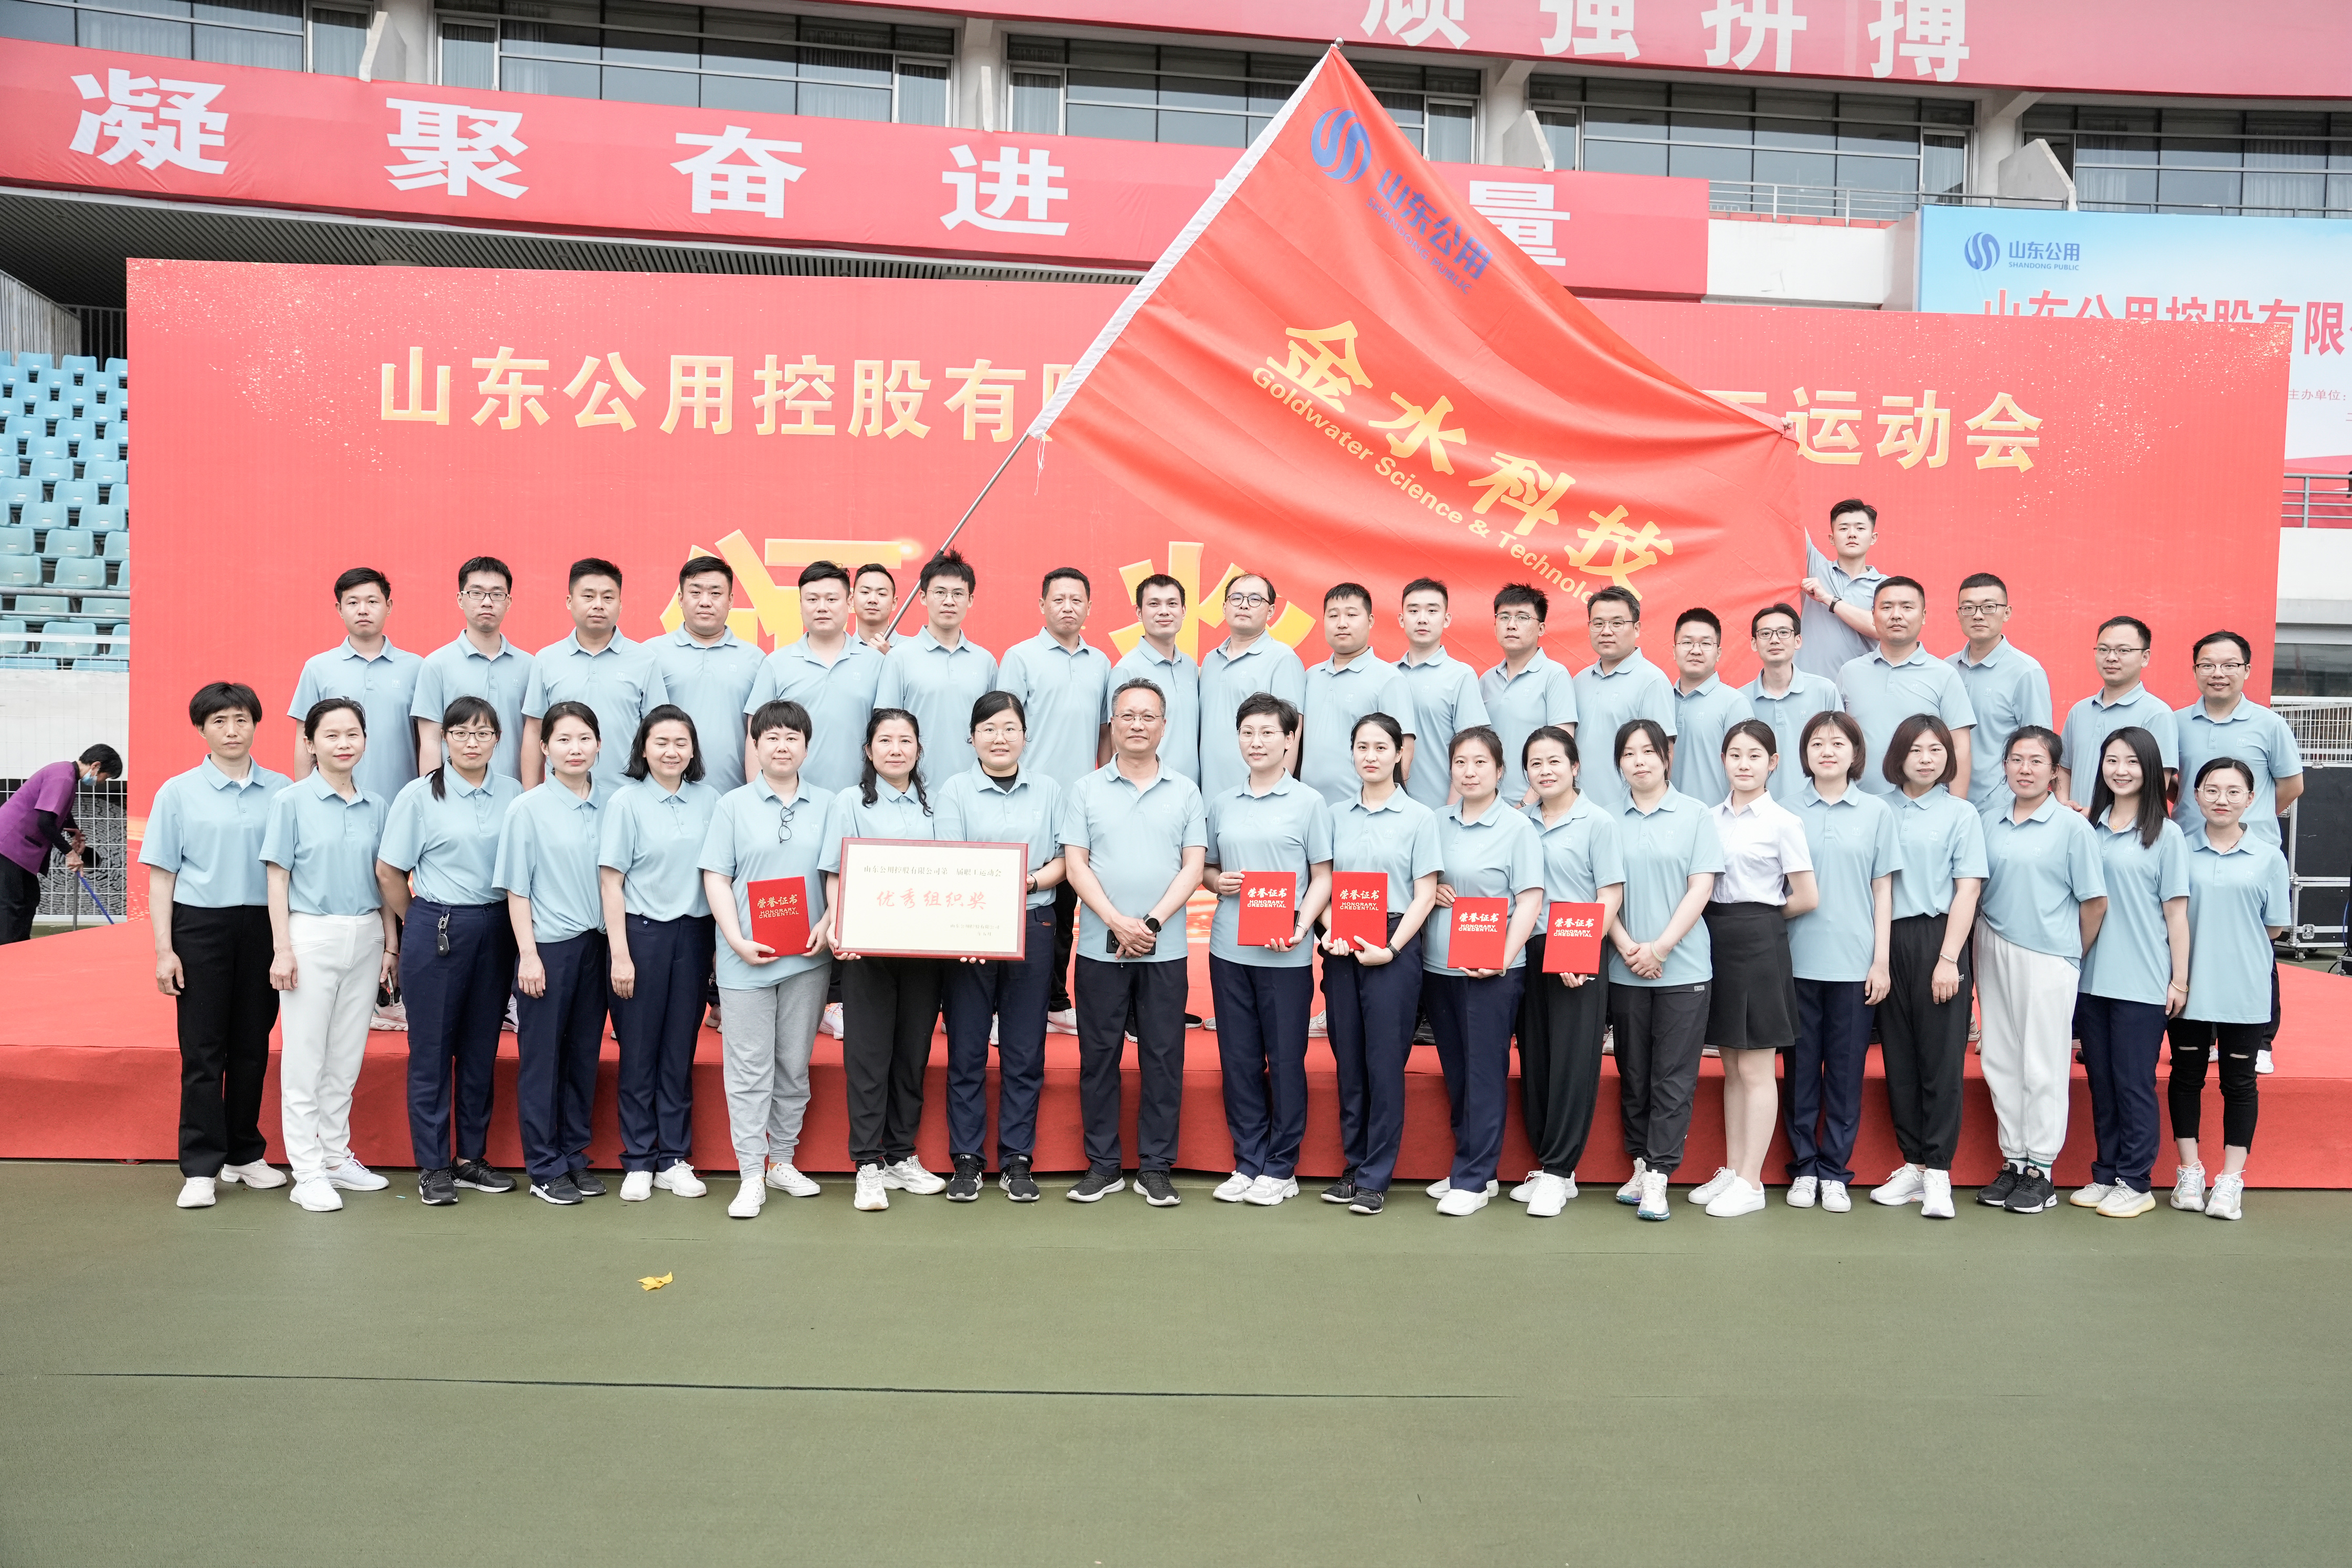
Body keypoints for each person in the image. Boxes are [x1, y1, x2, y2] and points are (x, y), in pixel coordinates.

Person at [1058, 676, 1207, 1207]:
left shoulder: (1185, 790)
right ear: (1113, 724)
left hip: (1164, 949)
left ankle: (1156, 1166)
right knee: (1098, 1056)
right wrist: (1117, 921)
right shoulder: (1085, 789)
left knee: (1164, 1057)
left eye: (1148, 716)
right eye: (1127, 715)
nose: (1137, 724)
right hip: (1100, 947)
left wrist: (1152, 923)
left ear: (1164, 726)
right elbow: (1075, 864)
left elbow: (1193, 866)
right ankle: (1103, 1165)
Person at [143, 683, 292, 1210]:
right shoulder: (178, 792)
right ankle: (202, 1166)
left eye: (241, 720)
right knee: (203, 1050)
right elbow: (162, 877)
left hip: (263, 927)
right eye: (220, 721)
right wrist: (165, 950)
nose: (232, 731)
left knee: (252, 1046)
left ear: (256, 724)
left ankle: (245, 1152)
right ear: (201, 729)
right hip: (201, 927)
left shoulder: (282, 790)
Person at [375, 696, 523, 1206]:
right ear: (444, 740)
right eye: (460, 733)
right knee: (433, 1050)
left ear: (497, 739)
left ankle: (471, 1159)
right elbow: (388, 871)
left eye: (482, 733)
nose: (471, 742)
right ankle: (434, 1164)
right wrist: (418, 916)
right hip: (437, 925)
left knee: (481, 1048)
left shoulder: (513, 793)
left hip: (497, 926)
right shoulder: (419, 795)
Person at [699, 699, 835, 1220]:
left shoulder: (829, 804)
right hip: (747, 960)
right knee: (749, 1068)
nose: (782, 746)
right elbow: (716, 875)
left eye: (792, 737)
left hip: (807, 958)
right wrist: (734, 939)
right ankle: (750, 1173)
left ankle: (783, 1161)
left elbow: (836, 872)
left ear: (806, 746)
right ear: (755, 745)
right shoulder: (732, 805)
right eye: (771, 737)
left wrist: (829, 920)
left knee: (792, 1065)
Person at [262, 697, 396, 1214]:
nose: (343, 744)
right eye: (332, 735)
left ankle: (337, 1156)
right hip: (310, 934)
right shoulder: (291, 801)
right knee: (305, 1059)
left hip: (366, 935)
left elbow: (384, 881)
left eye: (352, 734)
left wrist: (389, 943)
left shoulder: (377, 805)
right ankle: (308, 1170)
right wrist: (282, 948)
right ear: (310, 743)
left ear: (365, 740)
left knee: (345, 1057)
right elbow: (278, 878)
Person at [934, 691, 1065, 1203]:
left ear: (1025, 736)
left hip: (1032, 922)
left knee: (1024, 1049)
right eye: (988, 728)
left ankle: (1016, 1158)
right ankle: (966, 1159)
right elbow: (951, 860)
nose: (999, 737)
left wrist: (1027, 882)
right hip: (970, 927)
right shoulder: (954, 790)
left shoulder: (1049, 789)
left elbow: (1063, 860)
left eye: (1010, 727)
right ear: (972, 738)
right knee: (967, 1047)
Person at [1203, 694, 1332, 1207]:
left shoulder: (1309, 802)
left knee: (1285, 1060)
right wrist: (1217, 882)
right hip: (1228, 949)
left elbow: (1322, 876)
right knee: (1237, 1060)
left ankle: (1281, 1166)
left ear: (1289, 739)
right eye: (1247, 732)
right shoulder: (1222, 802)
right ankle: (1247, 1160)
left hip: (1286, 952)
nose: (1256, 742)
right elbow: (1208, 868)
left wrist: (1301, 925)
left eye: (1267, 732)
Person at [1975, 726, 2108, 1216]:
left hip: (2049, 956)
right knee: (2000, 1059)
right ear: (2004, 766)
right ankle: (2013, 1160)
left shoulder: (2072, 827)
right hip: (1991, 944)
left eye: (2036, 761)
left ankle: (2040, 1170)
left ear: (2054, 771)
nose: (2024, 769)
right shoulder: (1987, 821)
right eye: (2016, 759)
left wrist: (2069, 952)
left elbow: (2094, 902)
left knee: (2041, 1062)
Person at [820, 708, 949, 1212]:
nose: (896, 749)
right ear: (868, 750)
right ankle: (868, 1164)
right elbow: (836, 872)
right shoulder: (849, 802)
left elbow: (955, 872)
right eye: (885, 740)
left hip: (924, 951)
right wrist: (839, 925)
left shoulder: (937, 805)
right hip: (867, 949)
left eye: (906, 740)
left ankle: (900, 1154)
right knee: (868, 1056)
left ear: (919, 748)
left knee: (912, 1054)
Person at [1685, 720, 1813, 1220]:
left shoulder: (1784, 822)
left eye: (1754, 755)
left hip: (1759, 941)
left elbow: (1806, 896)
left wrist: (1760, 919)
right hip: (1713, 938)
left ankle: (1752, 1182)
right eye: (1735, 754)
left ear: (1773, 763)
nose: (1744, 763)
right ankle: (1734, 1169)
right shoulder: (1706, 819)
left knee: (1757, 1067)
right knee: (1732, 1065)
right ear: (1723, 761)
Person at [1420, 727, 1545, 1217]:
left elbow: (1529, 899)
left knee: (1484, 1072)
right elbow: (1420, 880)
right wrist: (1432, 889)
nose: (1469, 772)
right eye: (1460, 763)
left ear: (1499, 771)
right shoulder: (1435, 821)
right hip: (1439, 965)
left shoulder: (1516, 828)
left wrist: (1502, 957)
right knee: (1457, 1071)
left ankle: (1472, 1177)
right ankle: (1474, 1168)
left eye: (1479, 763)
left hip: (1492, 972)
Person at [1318, 712, 1440, 1215]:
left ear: (1398, 754)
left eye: (1380, 747)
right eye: (1362, 747)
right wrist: (1331, 931)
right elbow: (1322, 882)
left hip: (1394, 941)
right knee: (1348, 1057)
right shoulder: (1333, 815)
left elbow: (1425, 893)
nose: (1370, 756)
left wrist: (1391, 948)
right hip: (1342, 943)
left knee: (1384, 1062)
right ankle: (1354, 1164)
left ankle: (1375, 1175)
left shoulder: (1420, 817)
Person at [1605, 719, 1725, 1222]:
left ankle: (1659, 1173)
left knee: (1673, 1077)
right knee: (1634, 1073)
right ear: (1618, 763)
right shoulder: (1606, 819)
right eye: (1628, 753)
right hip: (1625, 965)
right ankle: (1639, 1162)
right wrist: (1628, 946)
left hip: (1684, 966)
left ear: (1665, 757)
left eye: (1647, 752)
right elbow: (1600, 892)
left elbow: (1701, 887)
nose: (1639, 761)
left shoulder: (1695, 814)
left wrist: (1660, 947)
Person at [494, 699, 613, 1206]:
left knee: (583, 1053)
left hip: (597, 946)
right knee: (542, 1058)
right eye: (563, 739)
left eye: (584, 738)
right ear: (544, 748)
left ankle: (572, 1153)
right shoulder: (527, 808)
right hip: (548, 947)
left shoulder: (613, 804)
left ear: (599, 745)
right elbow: (516, 889)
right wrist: (528, 954)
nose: (574, 748)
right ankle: (543, 1165)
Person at [1781, 711, 1900, 1213]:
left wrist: (1880, 961)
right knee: (1800, 1072)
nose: (1827, 751)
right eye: (1817, 743)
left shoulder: (1876, 812)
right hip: (1795, 962)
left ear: (1855, 753)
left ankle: (1834, 1171)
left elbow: (1882, 890)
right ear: (1804, 753)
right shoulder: (1784, 810)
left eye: (1837, 743)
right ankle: (1804, 1167)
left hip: (1854, 964)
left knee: (1846, 1075)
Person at [600, 705, 720, 1203]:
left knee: (678, 1051)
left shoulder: (710, 799)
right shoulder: (625, 801)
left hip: (694, 936)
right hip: (641, 936)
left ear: (693, 750)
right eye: (661, 742)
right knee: (638, 1051)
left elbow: (720, 874)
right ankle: (638, 1159)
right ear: (643, 749)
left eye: (681, 743)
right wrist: (620, 954)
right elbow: (611, 882)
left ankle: (673, 1157)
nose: (671, 751)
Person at [1869, 714, 1985, 1221]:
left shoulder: (1961, 813)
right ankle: (1913, 1164)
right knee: (1899, 1059)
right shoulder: (1877, 809)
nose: (1925, 758)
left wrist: (1948, 959)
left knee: (1940, 1061)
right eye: (1915, 749)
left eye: (1936, 749)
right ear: (1898, 755)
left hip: (1938, 937)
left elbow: (1968, 889)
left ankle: (1938, 1170)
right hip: (1886, 939)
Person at [2070, 727, 2190, 1219]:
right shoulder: (2087, 827)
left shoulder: (2166, 834)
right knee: (2101, 1082)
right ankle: (2106, 1172)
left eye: (2132, 762)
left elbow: (2176, 914)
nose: (2120, 770)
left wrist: (2178, 980)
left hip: (2141, 980)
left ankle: (2135, 1181)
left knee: (2132, 1082)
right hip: (2089, 979)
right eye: (2111, 760)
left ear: (2151, 769)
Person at [2165, 758, 2291, 1223]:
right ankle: (2189, 1172)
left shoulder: (2268, 857)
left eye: (2233, 791)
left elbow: (2274, 927)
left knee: (2239, 1083)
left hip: (2244, 990)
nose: (2222, 799)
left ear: (2250, 799)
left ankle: (2230, 1179)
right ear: (2195, 796)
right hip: (2188, 987)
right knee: (2186, 1076)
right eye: (2212, 790)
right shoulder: (2177, 848)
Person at [2175, 630, 2303, 1073]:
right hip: (2191, 850)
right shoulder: (2176, 722)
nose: (2218, 673)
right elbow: (2172, 784)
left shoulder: (2268, 724)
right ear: (2195, 670)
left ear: (2246, 670)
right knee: (2195, 939)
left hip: (2251, 854)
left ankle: (2261, 1039)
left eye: (2230, 665)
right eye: (2207, 664)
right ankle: (2205, 1033)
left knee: (2256, 944)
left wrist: (2249, 819)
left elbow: (2291, 785)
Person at [1511, 726, 1626, 1219]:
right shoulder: (1517, 822)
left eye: (1555, 761)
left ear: (1575, 766)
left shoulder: (1597, 822)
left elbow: (1610, 894)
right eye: (1535, 763)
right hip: (1526, 949)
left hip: (1578, 947)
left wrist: (1577, 952)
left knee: (1573, 1061)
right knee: (1536, 1058)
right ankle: (1550, 1165)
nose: (1545, 770)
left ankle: (1560, 1169)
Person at [995, 568, 1113, 1040]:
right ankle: (1002, 1007)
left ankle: (1055, 1001)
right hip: (1027, 798)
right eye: (1058, 599)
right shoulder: (1020, 657)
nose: (1067, 607)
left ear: (1089, 607)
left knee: (1065, 906)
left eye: (1076, 599)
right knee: (1014, 903)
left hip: (1079, 801)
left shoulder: (1100, 662)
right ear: (1041, 605)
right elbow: (1002, 727)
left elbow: (1105, 732)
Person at [522, 559, 666, 790]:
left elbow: (659, 732)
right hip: (561, 794)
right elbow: (534, 730)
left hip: (628, 794)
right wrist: (531, 795)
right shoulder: (546, 659)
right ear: (570, 601)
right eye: (588, 596)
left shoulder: (645, 660)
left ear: (621, 604)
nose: (598, 605)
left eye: (608, 597)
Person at [744, 561, 886, 796]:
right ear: (801, 605)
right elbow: (755, 738)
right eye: (812, 599)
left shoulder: (877, 663)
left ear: (849, 602)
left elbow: (890, 735)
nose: (822, 608)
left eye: (831, 599)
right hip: (792, 800)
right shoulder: (776, 664)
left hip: (861, 799)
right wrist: (758, 797)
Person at [289, 567, 422, 808]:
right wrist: (307, 802)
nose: (363, 610)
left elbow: (427, 739)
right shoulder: (318, 668)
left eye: (372, 601)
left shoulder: (417, 668)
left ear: (389, 606)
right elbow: (304, 741)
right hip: (335, 802)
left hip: (404, 802)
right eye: (352, 602)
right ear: (340, 609)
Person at [1836, 576, 1975, 799]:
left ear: (1924, 616)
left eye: (1907, 607)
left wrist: (1956, 808)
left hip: (1923, 805)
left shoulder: (1944, 675)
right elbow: (1837, 741)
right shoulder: (1850, 672)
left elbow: (1960, 748)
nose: (1896, 615)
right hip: (1859, 804)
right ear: (1873, 615)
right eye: (1887, 607)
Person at [648, 556, 763, 796]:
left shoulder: (756, 660)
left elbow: (762, 733)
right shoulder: (650, 655)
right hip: (665, 793)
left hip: (735, 794)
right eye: (696, 592)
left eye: (715, 593)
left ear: (731, 600)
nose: (705, 602)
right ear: (681, 599)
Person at [877, 550, 996, 780]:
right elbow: (885, 730)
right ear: (923, 597)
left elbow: (994, 729)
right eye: (940, 592)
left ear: (970, 600)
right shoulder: (899, 658)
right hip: (914, 787)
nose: (949, 601)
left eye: (958, 594)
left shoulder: (986, 661)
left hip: (974, 786)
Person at [412, 556, 529, 781]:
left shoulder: (529, 666)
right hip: (453, 791)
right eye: (476, 593)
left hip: (513, 791)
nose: (487, 602)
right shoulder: (436, 665)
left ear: (509, 602)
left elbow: (533, 737)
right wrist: (432, 795)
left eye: (497, 594)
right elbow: (430, 741)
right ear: (460, 599)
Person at [1302, 583, 1418, 807]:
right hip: (1309, 809)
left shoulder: (1388, 679)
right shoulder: (1310, 676)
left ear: (1370, 621)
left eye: (1352, 615)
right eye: (1333, 615)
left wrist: (1383, 806)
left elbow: (1405, 748)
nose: (1342, 623)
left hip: (1362, 810)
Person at [1198, 572, 1307, 804]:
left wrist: (1278, 795)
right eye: (1236, 598)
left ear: (1271, 611)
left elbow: (1292, 732)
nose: (1244, 605)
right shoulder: (1210, 661)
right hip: (1209, 798)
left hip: (1259, 797)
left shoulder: (1282, 659)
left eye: (1255, 599)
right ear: (1225, 607)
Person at [1945, 573, 2051, 811]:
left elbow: (2039, 747)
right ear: (1958, 615)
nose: (1978, 615)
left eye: (1989, 607)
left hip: (2001, 807)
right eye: (1968, 608)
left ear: (2007, 613)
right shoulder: (1946, 669)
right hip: (1947, 803)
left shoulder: (2026, 672)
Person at [1570, 585, 1676, 817]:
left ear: (1637, 628)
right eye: (1598, 623)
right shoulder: (1579, 681)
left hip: (1628, 813)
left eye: (1617, 623)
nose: (1606, 631)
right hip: (1578, 811)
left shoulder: (1652, 681)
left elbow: (1663, 754)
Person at [0, 743, 120, 944]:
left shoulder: (66, 774)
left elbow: (58, 811)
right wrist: (70, 853)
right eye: (105, 777)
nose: (101, 782)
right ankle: (8, 951)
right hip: (9, 843)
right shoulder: (63, 778)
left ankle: (20, 947)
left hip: (19, 846)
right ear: (96, 766)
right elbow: (45, 822)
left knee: (29, 899)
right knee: (12, 903)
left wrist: (75, 832)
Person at [2057, 615, 2178, 809]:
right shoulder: (2079, 711)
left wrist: (2104, 816)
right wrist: (2064, 805)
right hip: (2076, 823)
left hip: (2124, 826)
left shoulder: (2157, 714)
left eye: (2123, 650)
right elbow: (2064, 768)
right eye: (2103, 649)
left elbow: (2158, 784)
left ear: (2145, 657)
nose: (2111, 657)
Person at [1392, 577, 1489, 812]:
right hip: (1388, 807)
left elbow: (1472, 750)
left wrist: (1451, 812)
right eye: (1414, 611)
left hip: (1438, 809)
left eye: (1432, 611)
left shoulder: (1461, 675)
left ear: (1446, 619)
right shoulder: (1387, 675)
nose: (1422, 619)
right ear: (1402, 619)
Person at [1477, 583, 1576, 808]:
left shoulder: (1555, 675)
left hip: (1537, 806)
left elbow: (1561, 749)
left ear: (1541, 628)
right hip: (1490, 805)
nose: (1511, 625)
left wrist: (1526, 803)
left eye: (1522, 618)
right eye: (1504, 617)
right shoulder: (1486, 681)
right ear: (1495, 626)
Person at [1741, 602, 1843, 806]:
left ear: (1798, 641)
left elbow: (1841, 750)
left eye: (1783, 632)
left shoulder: (1824, 691)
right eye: (1766, 634)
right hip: (1759, 809)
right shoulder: (1740, 699)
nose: (1775, 640)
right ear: (1754, 643)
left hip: (1817, 806)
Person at [1109, 573, 1201, 788]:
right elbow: (1116, 743)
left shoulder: (1190, 667)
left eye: (1172, 604)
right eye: (1154, 604)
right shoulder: (1126, 670)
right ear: (1139, 613)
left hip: (1191, 790)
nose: (1164, 611)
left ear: (1184, 611)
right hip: (1146, 789)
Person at [1666, 608, 1753, 808]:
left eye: (1706, 644)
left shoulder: (1734, 703)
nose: (1696, 651)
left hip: (1715, 818)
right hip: (1663, 818)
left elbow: (1745, 771)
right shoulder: (1661, 699)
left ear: (1718, 653)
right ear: (1674, 650)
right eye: (1687, 643)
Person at [1796, 497, 1886, 681]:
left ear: (1873, 538)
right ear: (1832, 539)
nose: (1852, 534)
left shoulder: (1886, 586)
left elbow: (1881, 628)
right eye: (1844, 529)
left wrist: (1828, 599)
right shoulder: (1815, 567)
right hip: (1810, 686)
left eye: (1860, 529)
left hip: (1860, 687)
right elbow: (1789, 521)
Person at [853, 561, 900, 655]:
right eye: (865, 592)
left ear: (894, 603)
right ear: (851, 599)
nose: (873, 600)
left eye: (881, 594)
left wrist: (889, 657)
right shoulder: (840, 650)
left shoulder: (914, 649)